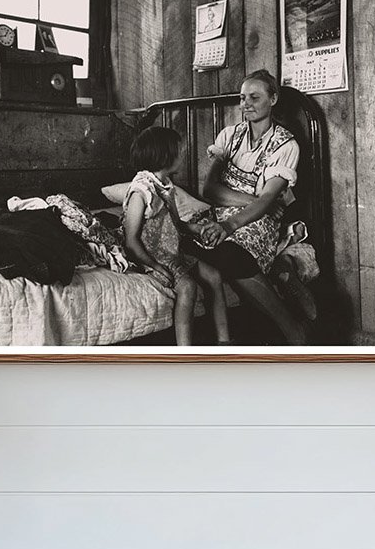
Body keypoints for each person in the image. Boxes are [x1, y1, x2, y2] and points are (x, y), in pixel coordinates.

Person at [198, 69, 309, 345]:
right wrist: (257, 202)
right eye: (242, 97)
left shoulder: (286, 145)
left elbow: (267, 200)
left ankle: (293, 330)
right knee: (196, 244)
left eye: (254, 97)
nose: (245, 104)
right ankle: (278, 273)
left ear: (273, 99)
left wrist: (231, 224)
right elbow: (209, 190)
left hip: (257, 221)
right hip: (230, 213)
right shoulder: (229, 136)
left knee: (228, 253)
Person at [122, 126, 230, 346]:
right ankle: (184, 350)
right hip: (150, 256)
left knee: (214, 276)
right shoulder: (140, 191)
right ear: (164, 155)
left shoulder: (165, 186)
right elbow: (131, 240)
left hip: (172, 251)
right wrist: (155, 265)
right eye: (178, 151)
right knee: (188, 287)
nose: (183, 154)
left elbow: (176, 223)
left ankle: (225, 341)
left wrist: (197, 228)